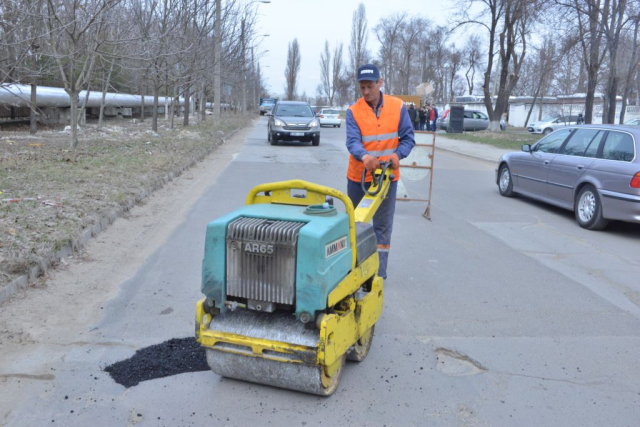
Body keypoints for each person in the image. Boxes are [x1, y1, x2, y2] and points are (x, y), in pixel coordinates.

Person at [345, 63, 415, 280]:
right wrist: (365, 157)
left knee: (382, 229)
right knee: (357, 226)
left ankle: (378, 276)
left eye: (370, 87)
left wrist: (397, 155)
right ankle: (356, 274)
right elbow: (353, 141)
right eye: (362, 88)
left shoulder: (397, 107)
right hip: (359, 178)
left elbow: (408, 138)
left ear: (380, 83)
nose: (366, 92)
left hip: (386, 180)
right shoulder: (353, 111)